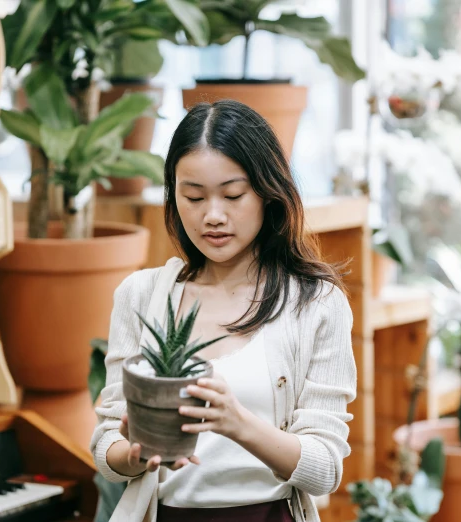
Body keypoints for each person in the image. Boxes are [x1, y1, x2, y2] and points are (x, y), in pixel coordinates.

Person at [90, 100, 357, 522]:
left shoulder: (315, 303)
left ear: (269, 192)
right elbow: (107, 447)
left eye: (233, 195)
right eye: (193, 196)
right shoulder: (140, 295)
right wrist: (138, 455)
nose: (212, 216)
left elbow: (325, 470)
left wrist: (237, 422)